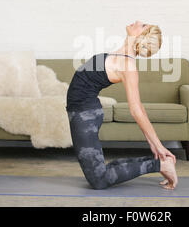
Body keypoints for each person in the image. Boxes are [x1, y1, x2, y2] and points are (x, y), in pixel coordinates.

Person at [66, 20, 178, 190]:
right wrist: (153, 144)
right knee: (100, 174)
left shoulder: (128, 65)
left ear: (141, 36)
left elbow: (137, 110)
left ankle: (161, 165)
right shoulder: (121, 55)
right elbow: (139, 109)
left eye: (142, 25)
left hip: (84, 114)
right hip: (84, 111)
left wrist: (158, 144)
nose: (138, 22)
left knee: (99, 180)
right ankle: (160, 163)